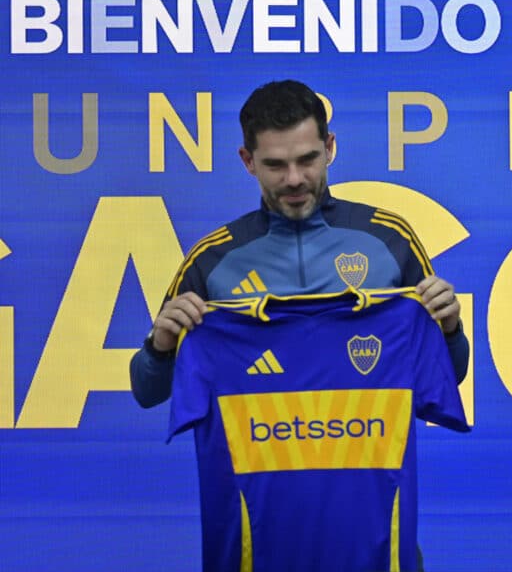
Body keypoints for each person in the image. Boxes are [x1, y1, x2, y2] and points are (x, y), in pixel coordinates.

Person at [130, 79, 468, 408]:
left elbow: (449, 373)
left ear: (330, 147)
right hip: (254, 464)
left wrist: (450, 330)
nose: (294, 179)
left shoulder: (390, 238)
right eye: (275, 165)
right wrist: (159, 347)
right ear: (248, 161)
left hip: (367, 463)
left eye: (307, 160)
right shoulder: (212, 259)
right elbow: (147, 392)